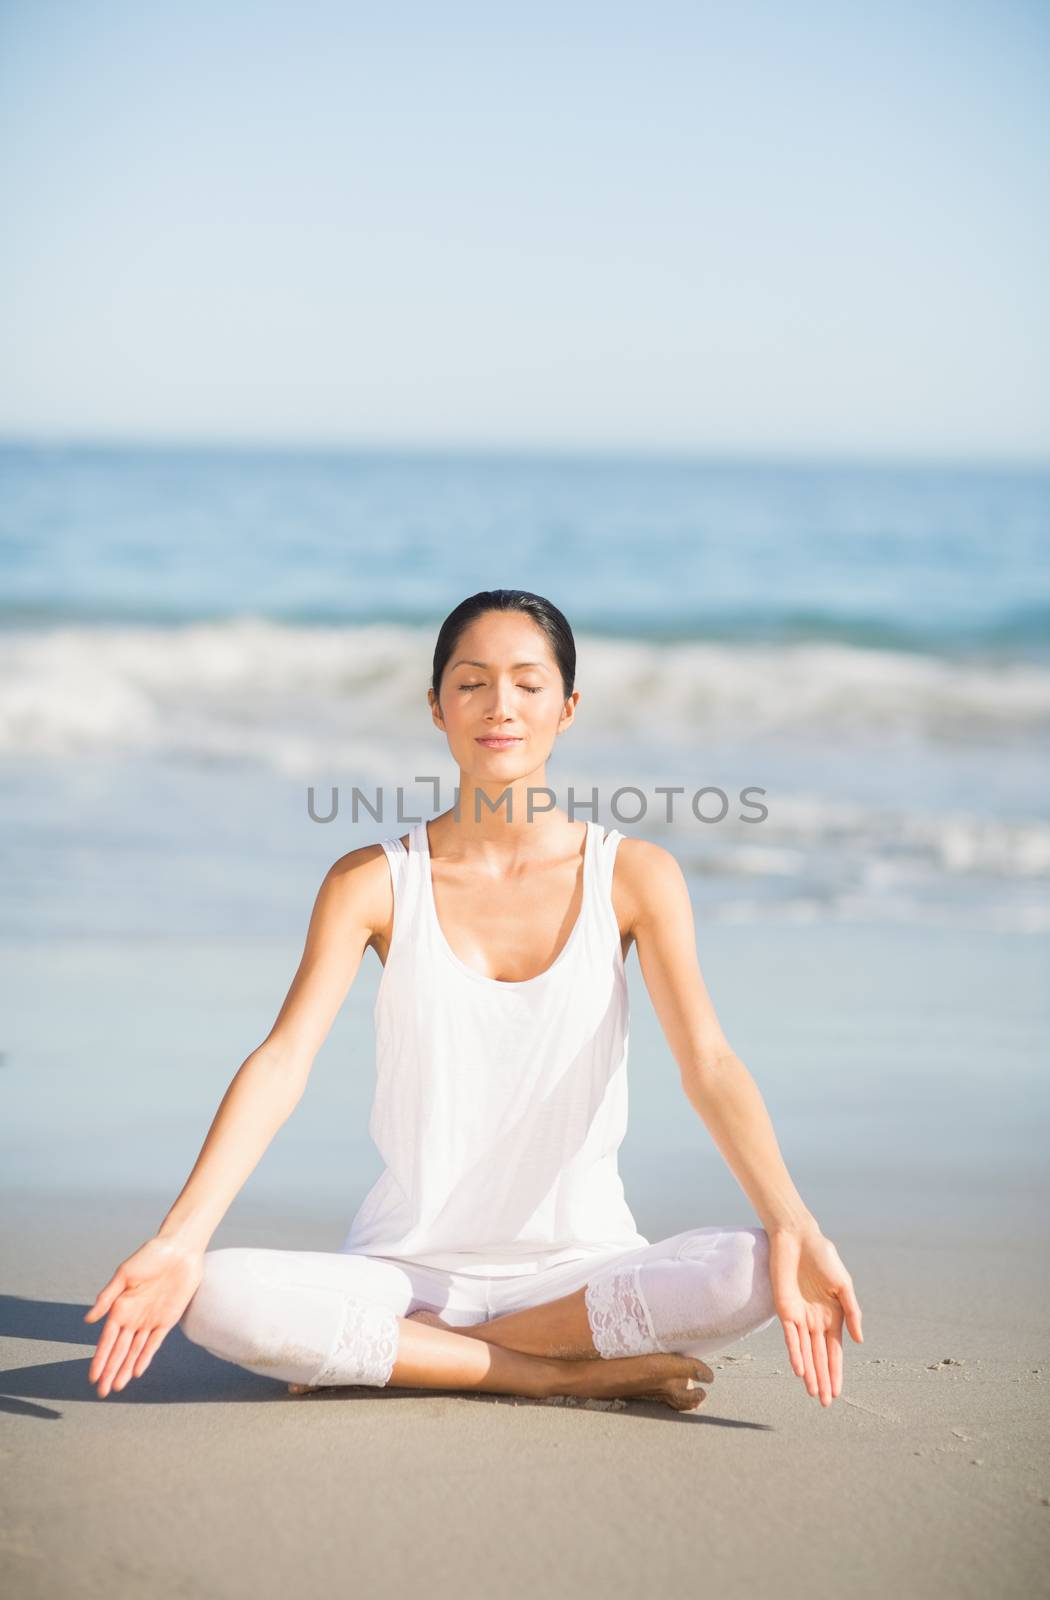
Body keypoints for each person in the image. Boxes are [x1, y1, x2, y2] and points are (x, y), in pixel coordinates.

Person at [85, 589, 864, 1412]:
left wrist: (795, 1223)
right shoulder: (372, 881)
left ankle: (423, 1360)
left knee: (748, 1268)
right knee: (215, 1296)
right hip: (405, 1272)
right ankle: (547, 1371)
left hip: (583, 1267)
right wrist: (178, 1239)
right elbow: (283, 1061)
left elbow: (707, 1063)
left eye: (528, 684)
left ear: (567, 709)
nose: (500, 707)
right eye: (471, 682)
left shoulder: (632, 874)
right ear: (435, 706)